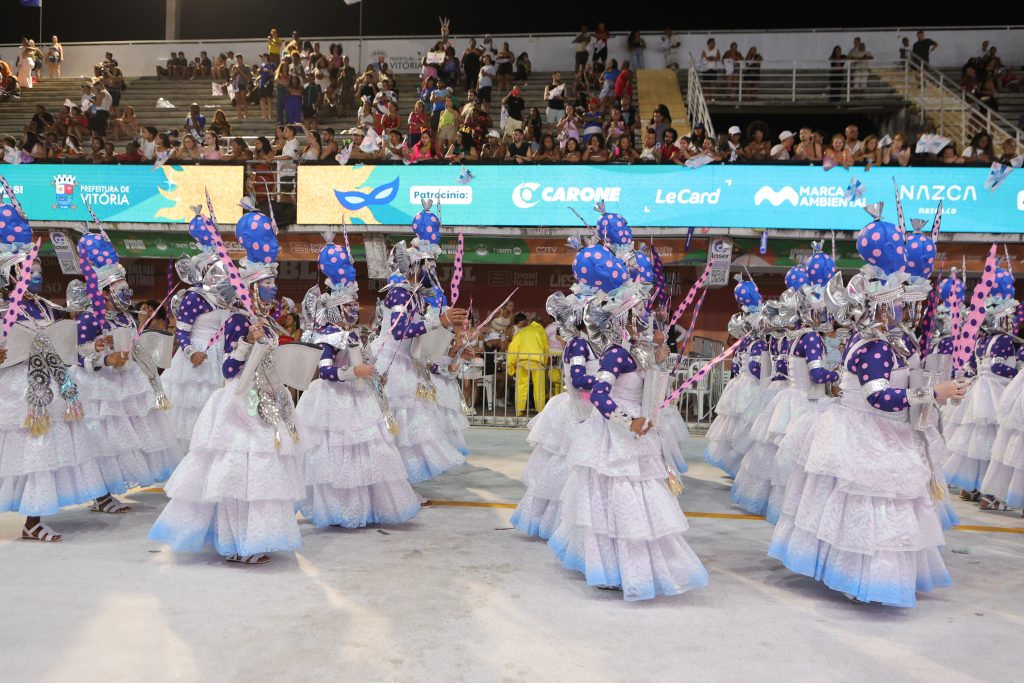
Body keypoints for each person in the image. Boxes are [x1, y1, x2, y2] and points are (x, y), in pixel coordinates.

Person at [547, 243, 708, 601]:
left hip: (640, 437)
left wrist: (661, 363)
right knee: (615, 500)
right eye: (638, 317)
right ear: (623, 320)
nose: (645, 322)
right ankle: (610, 567)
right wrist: (629, 422)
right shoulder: (616, 355)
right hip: (615, 437)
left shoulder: (638, 353)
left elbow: (651, 387)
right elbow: (600, 398)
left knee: (642, 502)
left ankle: (637, 566)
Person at [0, 207, 109, 542]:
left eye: (37, 268)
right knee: (32, 450)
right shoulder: (4, 310)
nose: (36, 274)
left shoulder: (47, 307)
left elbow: (66, 347)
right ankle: (32, 520)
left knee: (44, 452)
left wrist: (94, 350)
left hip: (53, 387)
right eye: (29, 269)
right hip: (20, 391)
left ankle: (34, 519)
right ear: (12, 273)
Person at [295, 240, 421, 529]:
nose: (354, 309)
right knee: (337, 458)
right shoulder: (328, 334)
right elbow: (325, 371)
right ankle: (340, 510)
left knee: (366, 455)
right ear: (337, 307)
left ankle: (363, 508)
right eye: (349, 305)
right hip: (333, 402)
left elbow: (364, 363)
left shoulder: (353, 333)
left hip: (361, 400)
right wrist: (355, 373)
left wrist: (374, 375)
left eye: (355, 304)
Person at [71, 228, 183, 506]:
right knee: (101, 443)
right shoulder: (89, 320)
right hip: (99, 392)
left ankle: (107, 490)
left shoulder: (126, 319)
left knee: (125, 441)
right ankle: (99, 494)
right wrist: (104, 359)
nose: (128, 293)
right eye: (121, 289)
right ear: (105, 292)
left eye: (127, 287)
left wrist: (155, 383)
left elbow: (136, 350)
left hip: (126, 386)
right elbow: (76, 354)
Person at [369, 204, 468, 484]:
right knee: (399, 429)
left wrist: (454, 348)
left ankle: (403, 484)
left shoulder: (416, 296)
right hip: (391, 366)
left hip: (408, 363)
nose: (434, 271)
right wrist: (441, 320)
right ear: (415, 266)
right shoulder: (400, 294)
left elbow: (421, 338)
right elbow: (400, 331)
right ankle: (394, 483)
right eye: (429, 265)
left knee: (411, 431)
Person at [944, 267, 1018, 503]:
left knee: (975, 439)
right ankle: (990, 491)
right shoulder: (1004, 340)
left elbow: (974, 367)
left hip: (979, 389)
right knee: (997, 440)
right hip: (995, 391)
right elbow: (997, 367)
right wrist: (1017, 372)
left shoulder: (982, 340)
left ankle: (971, 486)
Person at [161, 210, 232, 452]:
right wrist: (191, 353)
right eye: (215, 268)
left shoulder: (229, 299)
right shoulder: (194, 296)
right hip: (199, 359)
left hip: (223, 356)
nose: (221, 272)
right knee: (194, 412)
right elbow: (181, 332)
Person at [704, 278, 767, 477]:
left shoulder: (742, 341)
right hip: (752, 386)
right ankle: (742, 466)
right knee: (747, 428)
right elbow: (756, 367)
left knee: (735, 427)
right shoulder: (758, 343)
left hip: (738, 383)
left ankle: (735, 464)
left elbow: (738, 365)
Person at [507, 313, 549, 416]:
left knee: (521, 385)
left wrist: (510, 365)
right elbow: (545, 348)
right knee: (539, 387)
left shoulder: (523, 331)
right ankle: (540, 411)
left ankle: (519, 410)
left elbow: (512, 347)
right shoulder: (541, 331)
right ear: (540, 323)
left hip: (523, 361)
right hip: (538, 361)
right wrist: (545, 361)